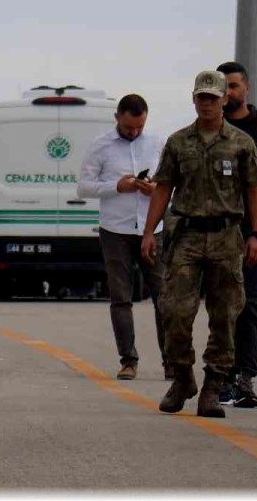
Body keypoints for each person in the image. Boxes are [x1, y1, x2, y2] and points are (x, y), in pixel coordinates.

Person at [141, 70, 257, 419]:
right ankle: (182, 377)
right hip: (186, 236)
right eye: (202, 97)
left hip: (227, 236)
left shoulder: (241, 143)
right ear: (194, 99)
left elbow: (255, 188)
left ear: (225, 99)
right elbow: (163, 186)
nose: (207, 103)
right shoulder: (179, 142)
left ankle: (213, 386)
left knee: (226, 316)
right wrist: (149, 232)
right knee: (175, 311)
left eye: (213, 97)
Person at [76, 93, 169, 381]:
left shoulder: (157, 144)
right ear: (117, 118)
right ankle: (128, 360)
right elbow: (84, 187)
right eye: (129, 127)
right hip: (115, 230)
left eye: (139, 126)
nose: (134, 132)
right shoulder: (100, 146)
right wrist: (118, 185)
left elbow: (174, 185)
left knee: (164, 297)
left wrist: (155, 189)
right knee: (120, 297)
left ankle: (172, 362)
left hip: (152, 231)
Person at [216, 61, 257, 409]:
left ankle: (245, 377)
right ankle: (222, 376)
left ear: (247, 89)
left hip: (253, 232)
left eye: (234, 86)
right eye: (223, 87)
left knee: (248, 305)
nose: (229, 93)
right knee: (221, 307)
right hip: (217, 233)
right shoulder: (209, 130)